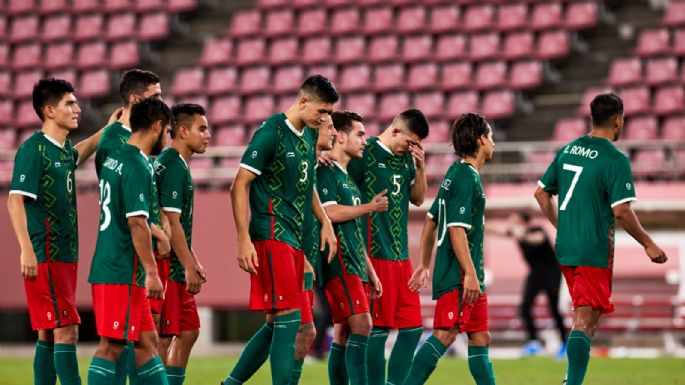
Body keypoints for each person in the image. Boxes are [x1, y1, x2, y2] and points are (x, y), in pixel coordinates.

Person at [534, 93, 668, 385]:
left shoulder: (569, 149)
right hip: (593, 249)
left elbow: (541, 193)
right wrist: (648, 242)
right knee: (584, 320)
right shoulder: (614, 158)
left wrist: (563, 225)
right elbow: (621, 211)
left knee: (588, 320)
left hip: (566, 248)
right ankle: (573, 383)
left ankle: (571, 378)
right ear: (618, 121)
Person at [223, 74, 339, 385]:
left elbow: (307, 184)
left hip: (297, 241)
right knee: (289, 321)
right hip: (272, 233)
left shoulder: (308, 135)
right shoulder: (271, 131)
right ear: (303, 101)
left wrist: (325, 222)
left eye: (329, 113)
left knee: (291, 325)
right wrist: (242, 238)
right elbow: (239, 185)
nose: (325, 119)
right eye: (322, 111)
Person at [7, 78, 105, 385]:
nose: (77, 108)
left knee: (49, 332)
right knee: (68, 330)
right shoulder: (33, 149)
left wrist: (110, 129)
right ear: (49, 110)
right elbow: (14, 200)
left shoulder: (61, 150)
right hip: (46, 253)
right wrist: (26, 249)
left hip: (64, 255)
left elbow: (80, 153)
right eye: (69, 103)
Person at [403, 112, 496, 385]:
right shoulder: (467, 177)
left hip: (468, 275)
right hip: (460, 275)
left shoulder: (453, 173)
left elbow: (432, 221)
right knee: (445, 333)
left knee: (480, 336)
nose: (494, 143)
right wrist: (468, 273)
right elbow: (455, 228)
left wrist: (423, 264)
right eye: (491, 136)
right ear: (480, 140)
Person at [86, 98, 172, 385]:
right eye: (168, 131)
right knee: (111, 346)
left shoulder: (116, 157)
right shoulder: (137, 163)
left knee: (147, 343)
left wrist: (155, 232)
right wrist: (151, 272)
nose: (167, 139)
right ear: (157, 126)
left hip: (118, 266)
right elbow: (135, 221)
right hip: (121, 269)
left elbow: (129, 214)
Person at [347, 109, 429, 385]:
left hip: (401, 255)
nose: (412, 147)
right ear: (395, 131)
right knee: (378, 330)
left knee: (413, 328)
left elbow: (417, 199)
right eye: (410, 141)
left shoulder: (406, 160)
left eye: (417, 144)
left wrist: (420, 168)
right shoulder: (365, 152)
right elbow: (339, 178)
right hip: (375, 253)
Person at [317, 111, 385, 385]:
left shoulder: (350, 182)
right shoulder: (326, 171)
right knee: (362, 325)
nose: (364, 141)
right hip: (338, 261)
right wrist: (369, 207)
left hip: (355, 263)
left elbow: (355, 232)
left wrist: (371, 271)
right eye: (360, 134)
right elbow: (329, 213)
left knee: (345, 330)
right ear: (341, 136)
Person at [153, 103, 210, 384]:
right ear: (183, 131)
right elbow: (172, 223)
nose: (208, 134)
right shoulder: (173, 165)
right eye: (202, 128)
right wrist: (188, 265)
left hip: (177, 263)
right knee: (164, 339)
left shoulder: (173, 162)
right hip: (168, 267)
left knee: (189, 331)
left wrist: (193, 259)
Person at [291, 114, 337, 384]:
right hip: (292, 250)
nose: (332, 132)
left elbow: (310, 195)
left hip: (309, 255)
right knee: (291, 327)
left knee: (301, 328)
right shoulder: (298, 156)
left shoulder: (314, 163)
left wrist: (325, 222)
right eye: (329, 127)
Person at [490, 212, 567, 358]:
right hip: (535, 275)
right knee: (525, 307)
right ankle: (534, 342)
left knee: (554, 310)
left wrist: (521, 235)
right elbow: (496, 231)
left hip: (551, 274)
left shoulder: (536, 230)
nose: (512, 225)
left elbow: (537, 239)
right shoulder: (516, 234)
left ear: (524, 222)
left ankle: (565, 344)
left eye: (515, 221)